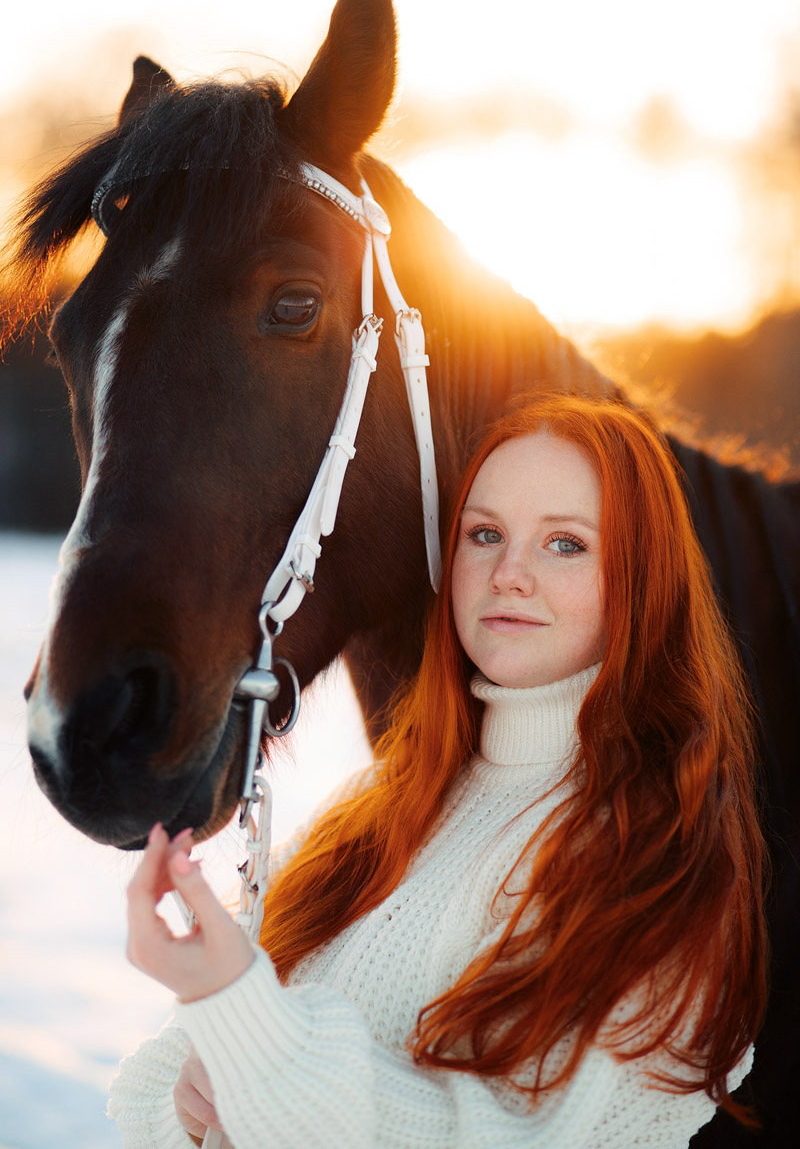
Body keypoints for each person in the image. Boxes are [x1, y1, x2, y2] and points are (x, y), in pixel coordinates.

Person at [110, 392, 767, 1148]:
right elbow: (158, 1086)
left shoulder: (663, 866)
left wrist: (252, 1042)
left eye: (565, 544)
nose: (509, 573)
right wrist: (205, 1102)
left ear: (641, 580)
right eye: (485, 533)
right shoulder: (374, 814)